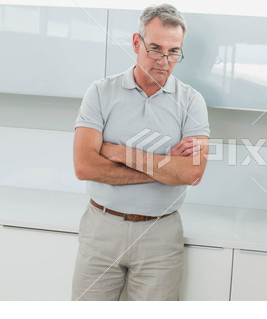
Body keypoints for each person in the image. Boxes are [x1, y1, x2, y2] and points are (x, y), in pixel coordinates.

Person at [71, 4, 210, 301]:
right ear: (136, 43)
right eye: (156, 48)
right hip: (101, 229)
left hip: (160, 236)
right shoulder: (100, 92)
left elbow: (192, 173)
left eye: (174, 51)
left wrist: (119, 152)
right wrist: (165, 169)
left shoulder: (193, 101)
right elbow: (85, 166)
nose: (164, 60)